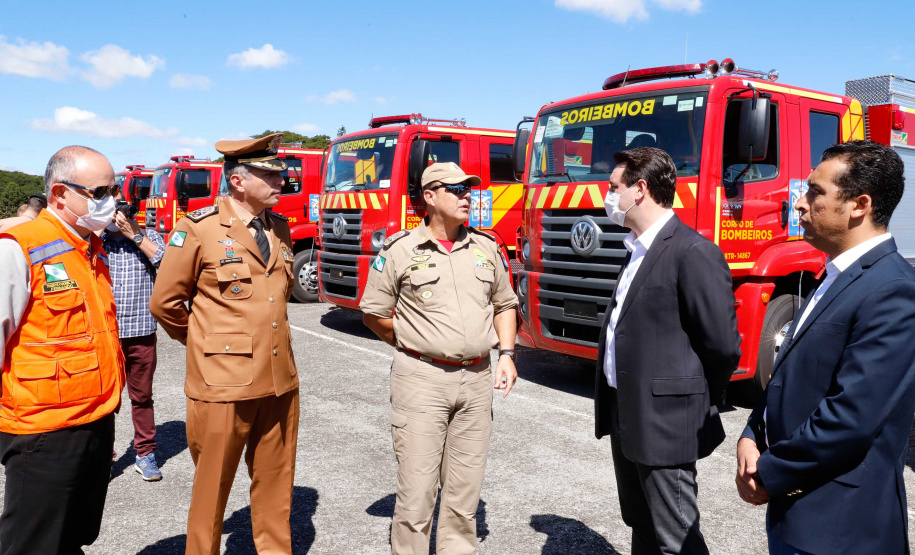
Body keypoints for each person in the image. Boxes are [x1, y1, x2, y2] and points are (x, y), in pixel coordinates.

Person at [736, 140, 915, 555]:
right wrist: (751, 434)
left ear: (859, 205)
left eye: (815, 192)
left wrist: (769, 472)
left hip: (840, 529)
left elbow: (850, 418)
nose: (799, 203)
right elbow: (790, 374)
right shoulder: (832, 274)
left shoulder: (893, 291)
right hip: (795, 517)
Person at [149, 133, 299, 554]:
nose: (280, 181)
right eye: (269, 175)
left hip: (279, 380)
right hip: (222, 383)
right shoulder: (198, 229)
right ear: (238, 180)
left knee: (276, 482)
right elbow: (165, 303)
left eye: (280, 174)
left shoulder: (280, 228)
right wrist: (204, 341)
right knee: (212, 487)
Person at [360, 162, 519, 555]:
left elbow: (505, 304)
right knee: (417, 494)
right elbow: (374, 313)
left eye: (468, 188)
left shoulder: (487, 247)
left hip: (477, 380)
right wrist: (416, 342)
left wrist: (507, 354)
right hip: (421, 380)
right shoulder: (400, 250)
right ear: (429, 198)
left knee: (464, 496)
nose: (467, 195)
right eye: (455, 189)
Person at [594, 147, 741, 555]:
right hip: (628, 411)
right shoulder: (636, 249)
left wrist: (687, 396)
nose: (608, 196)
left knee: (677, 537)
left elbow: (723, 347)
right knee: (641, 523)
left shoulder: (692, 252)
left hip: (667, 422)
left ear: (640, 189)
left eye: (614, 187)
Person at [0, 146, 124, 554]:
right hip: (42, 432)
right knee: (34, 545)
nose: (113, 201)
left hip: (94, 420)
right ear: (59, 194)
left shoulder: (91, 249)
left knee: (75, 536)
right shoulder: (19, 247)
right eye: (101, 191)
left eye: (116, 189)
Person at [101, 190, 166, 481]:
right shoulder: (96, 240)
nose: (117, 216)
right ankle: (102, 456)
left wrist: (135, 235)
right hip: (105, 334)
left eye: (122, 209)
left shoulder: (151, 237)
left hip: (141, 332)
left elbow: (169, 267)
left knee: (141, 397)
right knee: (103, 400)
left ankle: (146, 453)